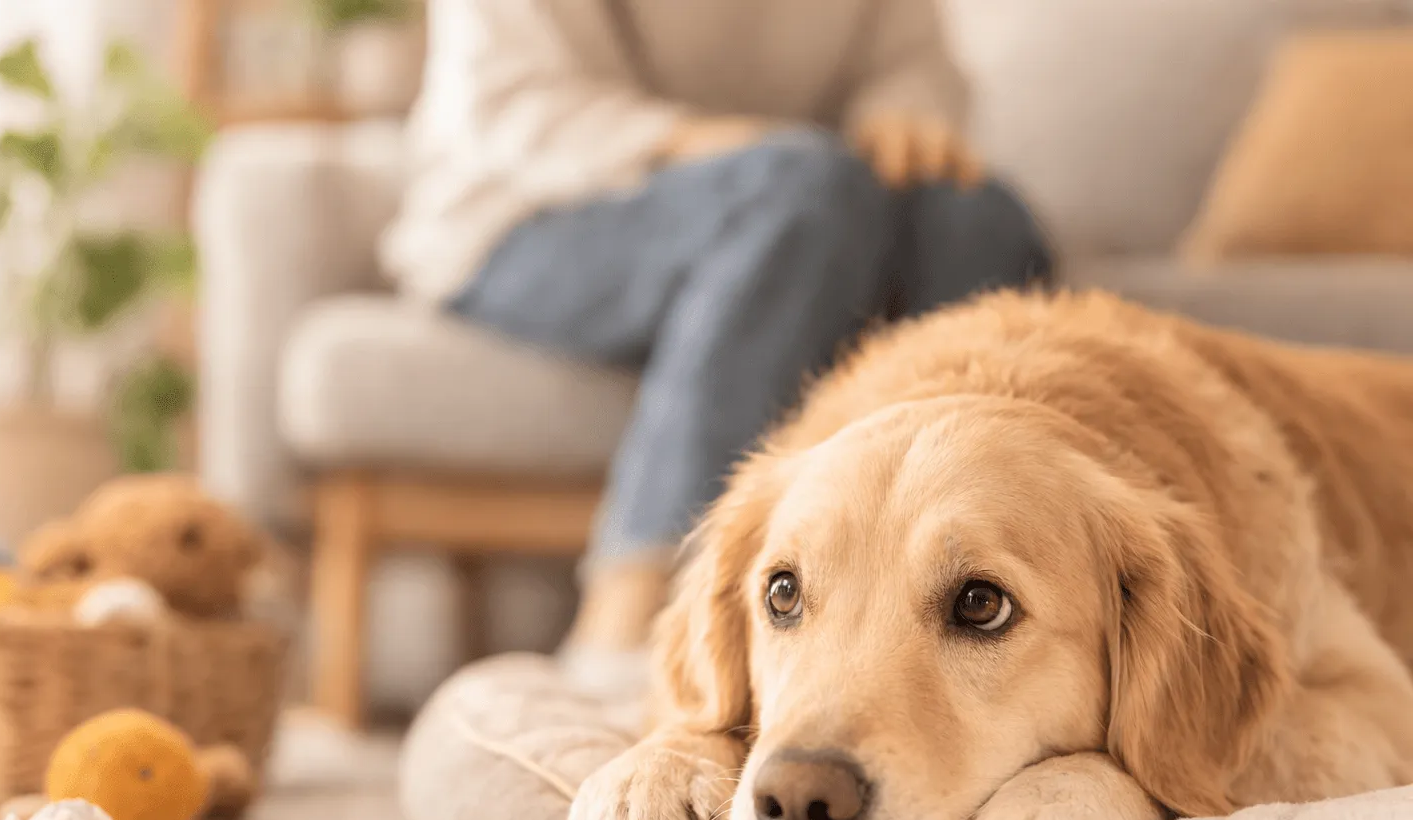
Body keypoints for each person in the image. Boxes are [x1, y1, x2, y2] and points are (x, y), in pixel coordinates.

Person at [384, 0, 1053, 671]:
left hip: (818, 210)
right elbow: (513, 101)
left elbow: (909, 61)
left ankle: (934, 625)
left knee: (978, 218)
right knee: (800, 189)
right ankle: (636, 607)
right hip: (528, 211)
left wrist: (902, 111)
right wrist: (720, 145)